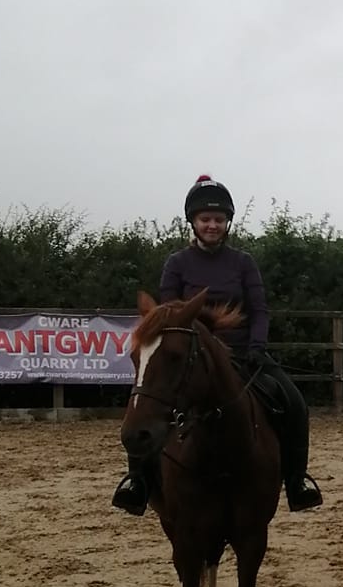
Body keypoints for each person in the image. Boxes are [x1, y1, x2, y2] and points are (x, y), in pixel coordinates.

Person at [112, 175, 323, 515]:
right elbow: (168, 315)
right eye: (205, 219)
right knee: (146, 405)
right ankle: (138, 480)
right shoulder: (177, 264)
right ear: (193, 223)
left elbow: (258, 310)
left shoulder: (243, 263)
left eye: (218, 219)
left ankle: (297, 481)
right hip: (190, 358)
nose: (212, 225)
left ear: (227, 223)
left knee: (295, 402)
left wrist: (257, 346)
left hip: (242, 355)